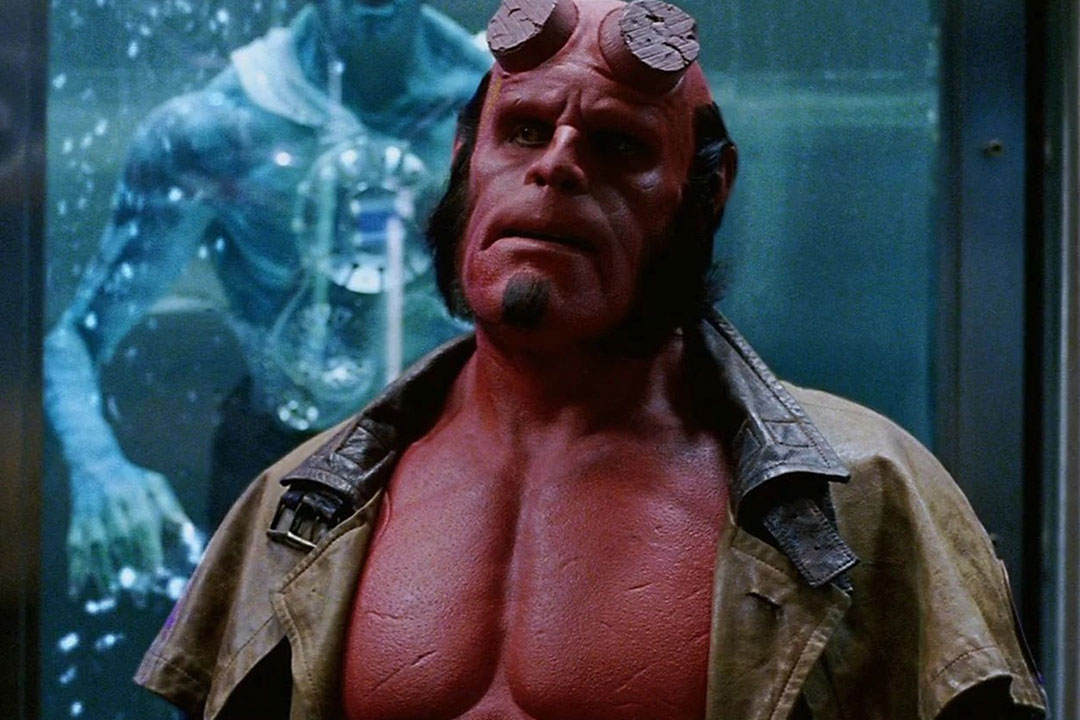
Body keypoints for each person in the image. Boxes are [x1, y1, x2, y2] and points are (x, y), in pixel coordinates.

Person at [136, 0, 1047, 717]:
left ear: (707, 192)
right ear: (465, 160)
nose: (558, 168)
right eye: (524, 131)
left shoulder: (865, 496)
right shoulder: (300, 506)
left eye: (619, 146)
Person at [43, 0, 490, 598]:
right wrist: (99, 468)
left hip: (465, 469)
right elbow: (74, 339)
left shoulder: (503, 107)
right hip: (281, 472)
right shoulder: (212, 133)